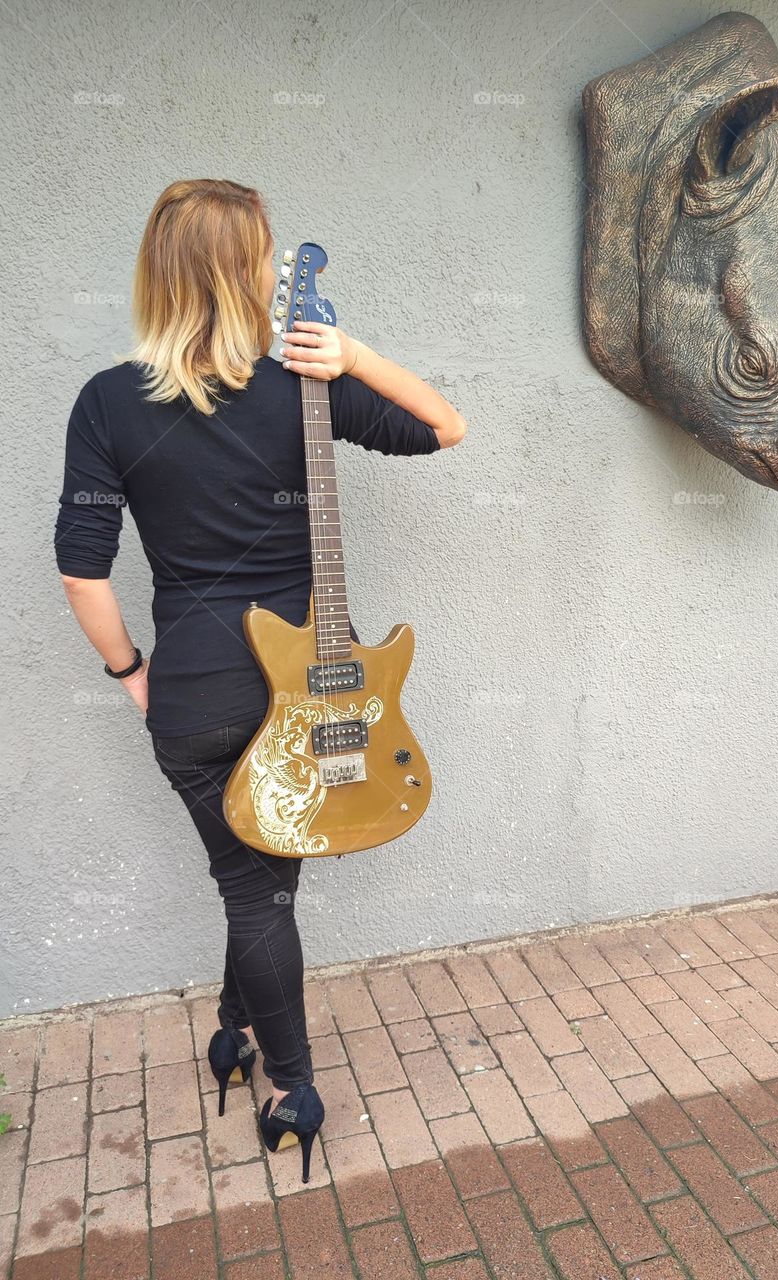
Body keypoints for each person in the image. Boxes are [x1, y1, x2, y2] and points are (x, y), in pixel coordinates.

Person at [54, 178, 467, 1181]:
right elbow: (446, 425)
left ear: (159, 274)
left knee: (252, 886)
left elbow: (83, 568)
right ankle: (290, 1080)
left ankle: (241, 1033)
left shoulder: (108, 399)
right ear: (253, 273)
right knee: (263, 891)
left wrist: (131, 672)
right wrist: (356, 354)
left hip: (195, 693)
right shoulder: (304, 387)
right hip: (310, 693)